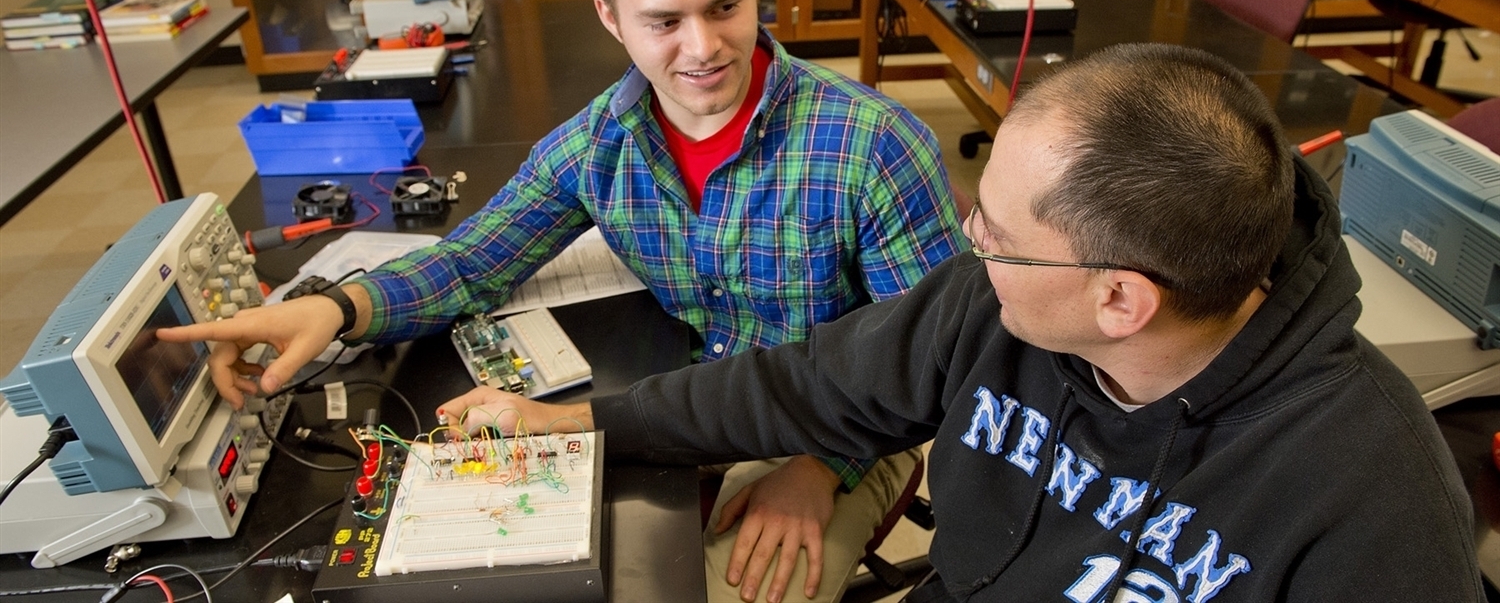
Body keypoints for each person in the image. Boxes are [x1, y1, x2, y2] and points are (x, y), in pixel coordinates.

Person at [440, 43, 1484, 602]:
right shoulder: (992, 306)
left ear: (1120, 299)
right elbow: (795, 386)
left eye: (997, 230)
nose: (967, 240)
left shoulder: (1373, 498)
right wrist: (583, 425)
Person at [159, 0, 961, 602]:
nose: (703, 47)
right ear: (610, 17)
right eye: (663, 21)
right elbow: (475, 260)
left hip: (833, 426)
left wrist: (819, 469)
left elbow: (931, 365)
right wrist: (335, 309)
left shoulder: (875, 146)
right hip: (685, 406)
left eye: (724, 6)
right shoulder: (596, 147)